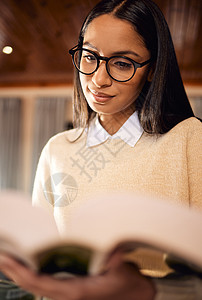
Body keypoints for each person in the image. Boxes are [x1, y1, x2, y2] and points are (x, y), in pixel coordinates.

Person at [0, 0, 201, 299]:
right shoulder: (58, 150)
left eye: (122, 63)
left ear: (152, 70)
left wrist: (145, 290)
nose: (98, 79)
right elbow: (43, 259)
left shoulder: (190, 140)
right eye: (90, 56)